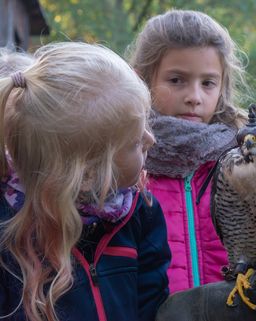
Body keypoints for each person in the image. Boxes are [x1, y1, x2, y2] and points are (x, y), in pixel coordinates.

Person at [0, 42, 170, 321]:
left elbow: (150, 305)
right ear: (88, 176)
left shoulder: (140, 213)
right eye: (135, 142)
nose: (152, 140)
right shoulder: (8, 234)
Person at [128, 9, 250, 293]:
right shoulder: (124, 164)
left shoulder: (244, 163)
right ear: (140, 80)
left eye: (208, 83)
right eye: (176, 80)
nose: (194, 97)